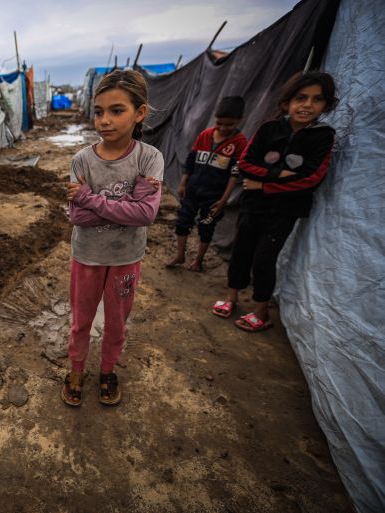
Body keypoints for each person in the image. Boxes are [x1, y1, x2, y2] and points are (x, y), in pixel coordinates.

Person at [62, 70, 164, 406]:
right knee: (81, 321)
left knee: (117, 322)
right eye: (99, 111)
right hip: (87, 256)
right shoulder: (82, 160)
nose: (104, 120)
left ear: (140, 113)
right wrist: (127, 204)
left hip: (125, 259)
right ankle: (76, 370)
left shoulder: (149, 158)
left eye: (116, 110)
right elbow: (76, 217)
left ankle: (107, 371)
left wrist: (89, 198)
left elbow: (145, 214)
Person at [212, 71, 338, 331]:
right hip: (253, 205)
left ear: (325, 105)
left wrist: (264, 185)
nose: (307, 105)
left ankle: (261, 311)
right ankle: (232, 297)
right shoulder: (269, 128)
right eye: (300, 98)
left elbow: (311, 179)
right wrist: (279, 175)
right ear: (287, 102)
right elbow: (245, 163)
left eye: (316, 99)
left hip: (285, 211)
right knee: (241, 251)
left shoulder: (323, 136)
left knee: (264, 258)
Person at [166, 96, 248, 271]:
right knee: (183, 222)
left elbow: (234, 175)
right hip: (192, 190)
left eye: (229, 124)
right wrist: (183, 183)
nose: (223, 128)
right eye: (219, 123)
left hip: (214, 196)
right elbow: (191, 161)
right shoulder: (205, 135)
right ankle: (180, 255)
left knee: (206, 226)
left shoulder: (240, 143)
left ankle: (198, 261)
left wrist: (223, 200)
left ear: (239, 120)